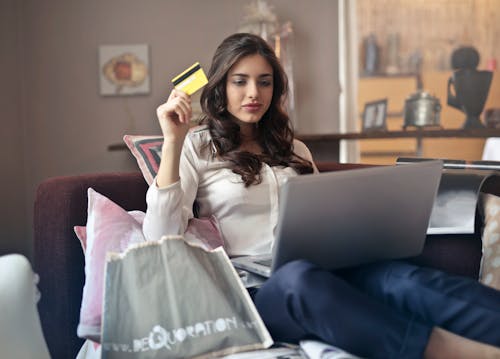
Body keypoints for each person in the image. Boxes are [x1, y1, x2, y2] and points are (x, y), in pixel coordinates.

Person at [143, 32, 500, 358]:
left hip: (328, 270)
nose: (254, 93)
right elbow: (160, 236)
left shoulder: (293, 149)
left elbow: (324, 217)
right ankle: (450, 353)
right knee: (299, 281)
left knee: (402, 279)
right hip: (260, 295)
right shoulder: (198, 147)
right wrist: (172, 143)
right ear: (221, 86)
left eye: (264, 82)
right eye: (241, 82)